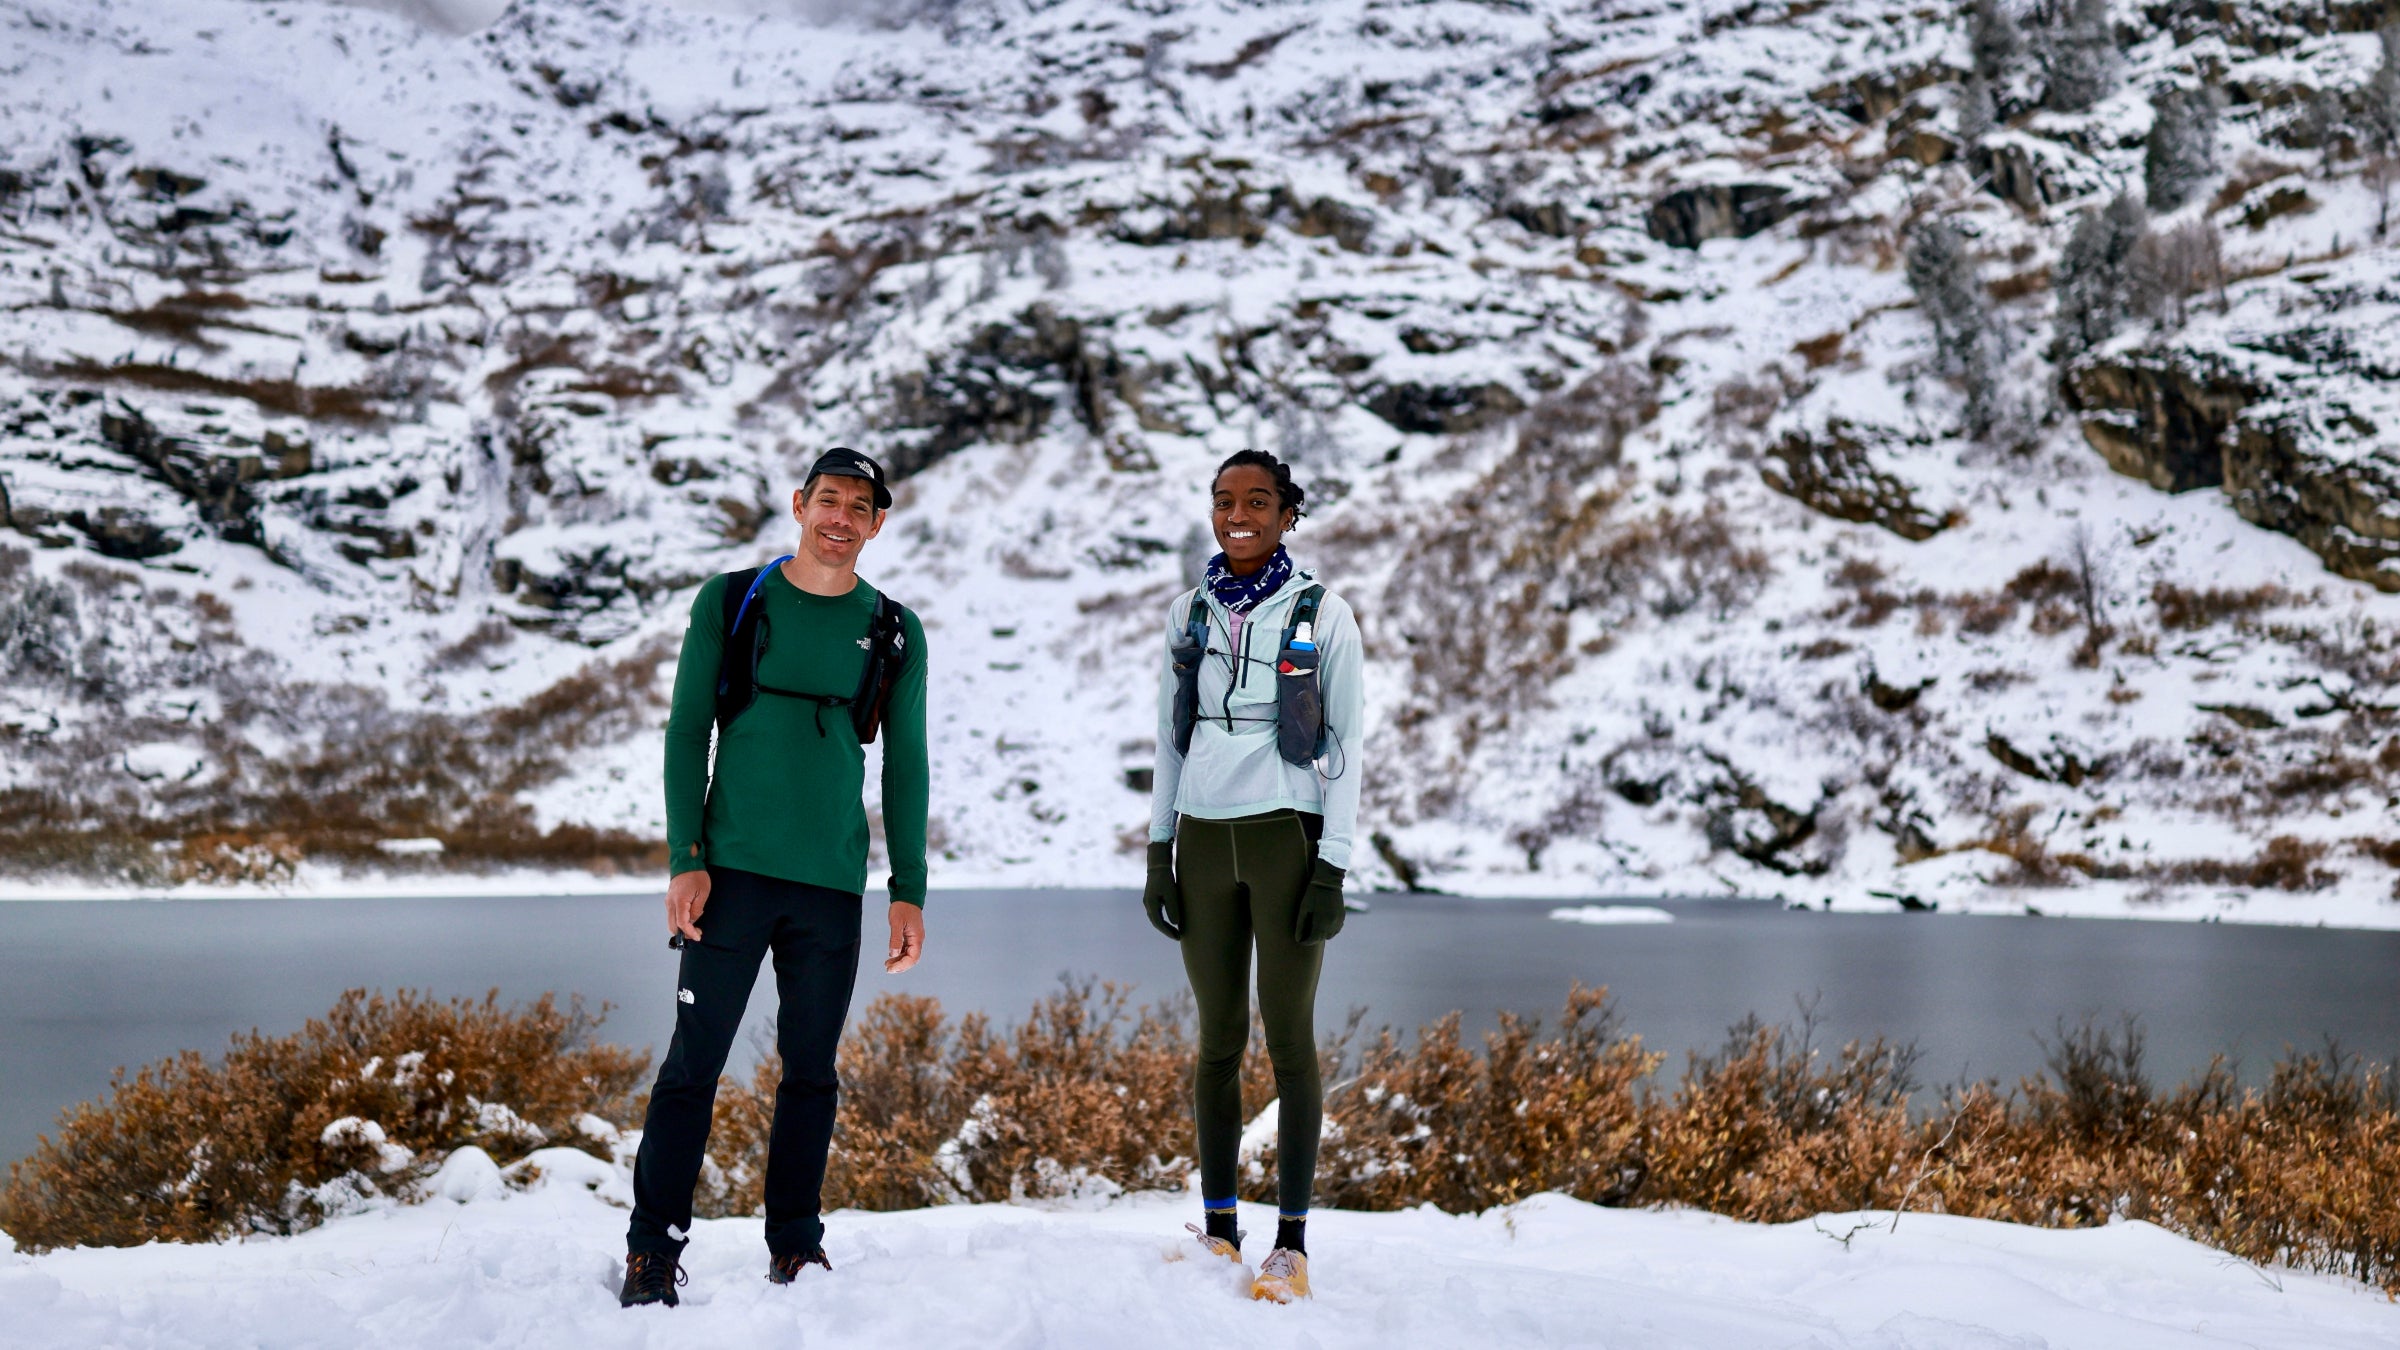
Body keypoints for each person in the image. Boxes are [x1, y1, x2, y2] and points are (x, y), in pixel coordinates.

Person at [619, 447, 930, 1309]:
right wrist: (687, 860)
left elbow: (907, 765)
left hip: (832, 886)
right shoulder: (732, 600)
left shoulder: (897, 629)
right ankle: (653, 1250)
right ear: (800, 505)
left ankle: (794, 1243)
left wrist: (909, 886)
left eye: (858, 507)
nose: (840, 518)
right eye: (826, 500)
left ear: (876, 523)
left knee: (812, 1072)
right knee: (693, 1066)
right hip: (731, 877)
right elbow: (687, 733)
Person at [1142, 448, 1364, 1304]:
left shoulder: (1323, 612)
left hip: (1286, 839)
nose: (1240, 514)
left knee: (1292, 1043)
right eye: (1225, 501)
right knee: (1218, 1043)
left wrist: (1331, 866)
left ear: (1285, 516)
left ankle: (1293, 1249)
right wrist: (1159, 849)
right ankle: (1223, 1233)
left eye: (1259, 501)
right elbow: (1171, 740)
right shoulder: (1187, 614)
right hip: (1201, 841)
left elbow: (1345, 744)